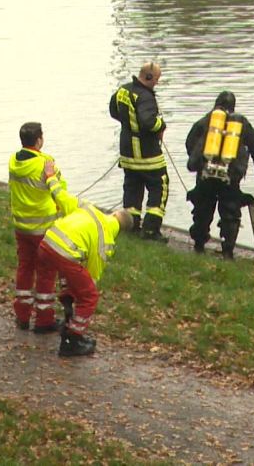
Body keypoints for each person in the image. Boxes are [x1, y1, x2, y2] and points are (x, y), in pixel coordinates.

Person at [33, 205, 135, 357]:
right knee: (89, 296)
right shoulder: (106, 238)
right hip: (65, 253)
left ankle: (43, 321)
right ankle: (72, 340)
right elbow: (93, 274)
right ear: (120, 230)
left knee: (50, 276)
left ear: (114, 213)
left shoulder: (90, 209)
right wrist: (83, 291)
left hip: (48, 241)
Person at [8, 122, 78, 332]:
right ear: (39, 140)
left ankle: (22, 316)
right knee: (46, 273)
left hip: (21, 225)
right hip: (44, 228)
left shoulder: (13, 160)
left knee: (25, 269)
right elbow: (61, 190)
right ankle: (44, 320)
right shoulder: (46, 163)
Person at [184, 91, 254, 259]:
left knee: (202, 209)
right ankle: (227, 251)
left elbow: (190, 143)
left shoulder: (206, 120)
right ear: (233, 107)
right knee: (230, 213)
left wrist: (201, 162)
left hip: (206, 174)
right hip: (230, 176)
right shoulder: (241, 124)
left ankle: (199, 245)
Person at [109, 61, 168, 241]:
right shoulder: (146, 96)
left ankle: (131, 226)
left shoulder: (123, 91)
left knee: (132, 190)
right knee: (160, 187)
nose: (157, 83)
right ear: (149, 77)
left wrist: (128, 123)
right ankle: (150, 231)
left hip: (127, 153)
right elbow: (148, 122)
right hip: (147, 155)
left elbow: (113, 111)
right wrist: (161, 125)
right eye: (156, 79)